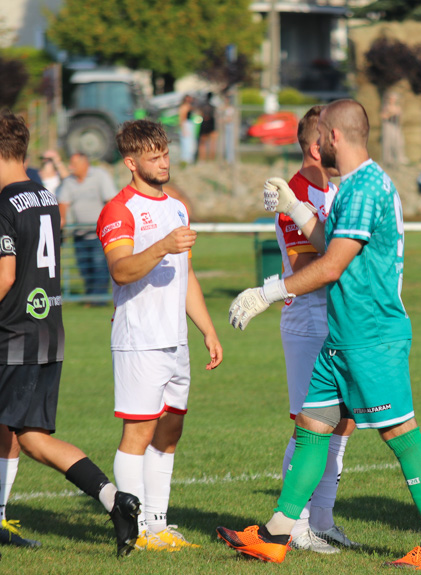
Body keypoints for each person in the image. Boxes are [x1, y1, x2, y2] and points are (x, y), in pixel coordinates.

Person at [218, 99, 421, 569]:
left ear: (336, 137)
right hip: (342, 337)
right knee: (311, 427)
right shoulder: (351, 187)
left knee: (401, 433)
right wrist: (296, 207)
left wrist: (267, 292)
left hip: (371, 335)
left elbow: (330, 265)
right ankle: (277, 533)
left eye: (321, 135)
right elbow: (331, 241)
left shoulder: (367, 187)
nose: (315, 143)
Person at [0, 110, 141, 557]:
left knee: (23, 433)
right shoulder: (44, 195)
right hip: (47, 331)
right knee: (27, 433)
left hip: (12, 333)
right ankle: (113, 499)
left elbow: (4, 276)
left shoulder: (3, 204)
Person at [97, 119, 223, 551]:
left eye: (165, 153)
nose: (164, 162)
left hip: (176, 341)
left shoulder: (178, 207)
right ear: (131, 162)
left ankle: (158, 524)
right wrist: (163, 246)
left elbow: (186, 276)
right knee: (139, 432)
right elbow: (121, 269)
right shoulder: (119, 209)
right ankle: (135, 530)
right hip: (139, 340)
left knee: (170, 432)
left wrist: (207, 329)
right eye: (154, 156)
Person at [273, 105, 358, 554]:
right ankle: (295, 523)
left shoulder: (340, 190)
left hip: (342, 322)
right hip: (308, 322)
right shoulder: (294, 195)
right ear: (315, 145)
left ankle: (322, 519)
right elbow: (312, 265)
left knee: (344, 424)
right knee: (309, 426)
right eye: (332, 135)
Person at [57, 152, 117, 299]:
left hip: (98, 233)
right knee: (84, 267)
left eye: (74, 164)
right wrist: (62, 219)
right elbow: (63, 202)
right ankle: (90, 297)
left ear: (84, 164)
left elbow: (111, 200)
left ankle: (99, 299)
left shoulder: (100, 176)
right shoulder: (69, 181)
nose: (70, 167)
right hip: (79, 233)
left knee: (99, 266)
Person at [381, 92, 407, 167]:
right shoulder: (386, 107)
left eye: (395, 98)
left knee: (399, 141)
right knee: (388, 142)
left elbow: (401, 117)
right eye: (392, 98)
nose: (393, 100)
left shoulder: (398, 107)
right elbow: (383, 116)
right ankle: (388, 159)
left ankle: (400, 157)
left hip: (396, 126)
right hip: (388, 125)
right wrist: (391, 113)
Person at [196, 93, 217, 162]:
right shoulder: (213, 107)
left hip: (205, 123)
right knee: (212, 143)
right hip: (211, 123)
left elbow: (200, 114)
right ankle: (211, 159)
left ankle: (202, 159)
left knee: (202, 143)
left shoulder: (202, 106)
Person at [178, 94, 197, 164]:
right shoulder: (184, 107)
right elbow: (182, 118)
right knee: (187, 143)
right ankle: (186, 159)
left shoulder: (189, 106)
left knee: (190, 143)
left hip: (189, 124)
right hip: (186, 125)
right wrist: (184, 129)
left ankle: (189, 159)